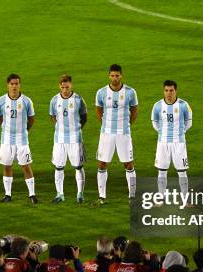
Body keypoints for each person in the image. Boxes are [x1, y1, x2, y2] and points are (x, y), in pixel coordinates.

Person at [95, 64, 138, 205]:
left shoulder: (130, 92)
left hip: (123, 133)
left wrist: (126, 125)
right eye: (112, 75)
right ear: (109, 76)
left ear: (121, 76)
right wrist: (106, 125)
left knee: (128, 164)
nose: (114, 78)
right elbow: (99, 111)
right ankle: (102, 196)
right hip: (106, 133)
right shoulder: (101, 92)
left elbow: (134, 111)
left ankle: (132, 195)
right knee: (102, 164)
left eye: (117, 75)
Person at [0, 74, 38, 204]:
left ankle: (32, 194)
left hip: (22, 140)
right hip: (6, 140)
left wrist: (22, 131)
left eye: (16, 84)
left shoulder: (26, 101)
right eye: (12, 84)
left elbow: (31, 120)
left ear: (20, 85)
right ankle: (7, 194)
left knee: (26, 166)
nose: (14, 86)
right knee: (7, 166)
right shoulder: (1, 101)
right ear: (8, 85)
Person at [49, 74, 88, 203]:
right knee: (59, 167)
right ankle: (60, 194)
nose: (65, 89)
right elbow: (53, 116)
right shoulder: (54, 100)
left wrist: (75, 129)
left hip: (75, 139)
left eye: (67, 86)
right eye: (62, 87)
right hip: (59, 139)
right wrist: (60, 128)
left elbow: (84, 117)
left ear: (71, 85)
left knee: (78, 166)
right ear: (59, 86)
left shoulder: (78, 99)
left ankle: (80, 194)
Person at [151, 80, 192, 202]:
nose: (169, 93)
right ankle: (161, 198)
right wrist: (162, 132)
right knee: (162, 171)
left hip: (179, 142)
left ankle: (185, 199)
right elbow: (155, 122)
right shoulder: (157, 105)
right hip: (163, 143)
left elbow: (188, 122)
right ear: (163, 91)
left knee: (182, 171)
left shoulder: (183, 105)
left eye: (171, 90)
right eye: (166, 90)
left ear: (176, 91)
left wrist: (180, 132)